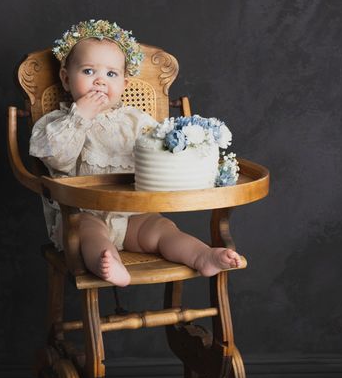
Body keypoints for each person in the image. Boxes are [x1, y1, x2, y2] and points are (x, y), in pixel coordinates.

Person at [30, 19, 242, 286]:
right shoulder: (57, 123)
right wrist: (80, 117)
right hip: (80, 215)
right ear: (65, 78)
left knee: (163, 230)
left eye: (111, 74)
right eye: (87, 71)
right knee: (90, 233)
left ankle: (202, 256)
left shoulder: (135, 120)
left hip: (131, 216)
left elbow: (160, 149)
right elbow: (56, 159)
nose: (99, 81)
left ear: (124, 83)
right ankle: (107, 262)